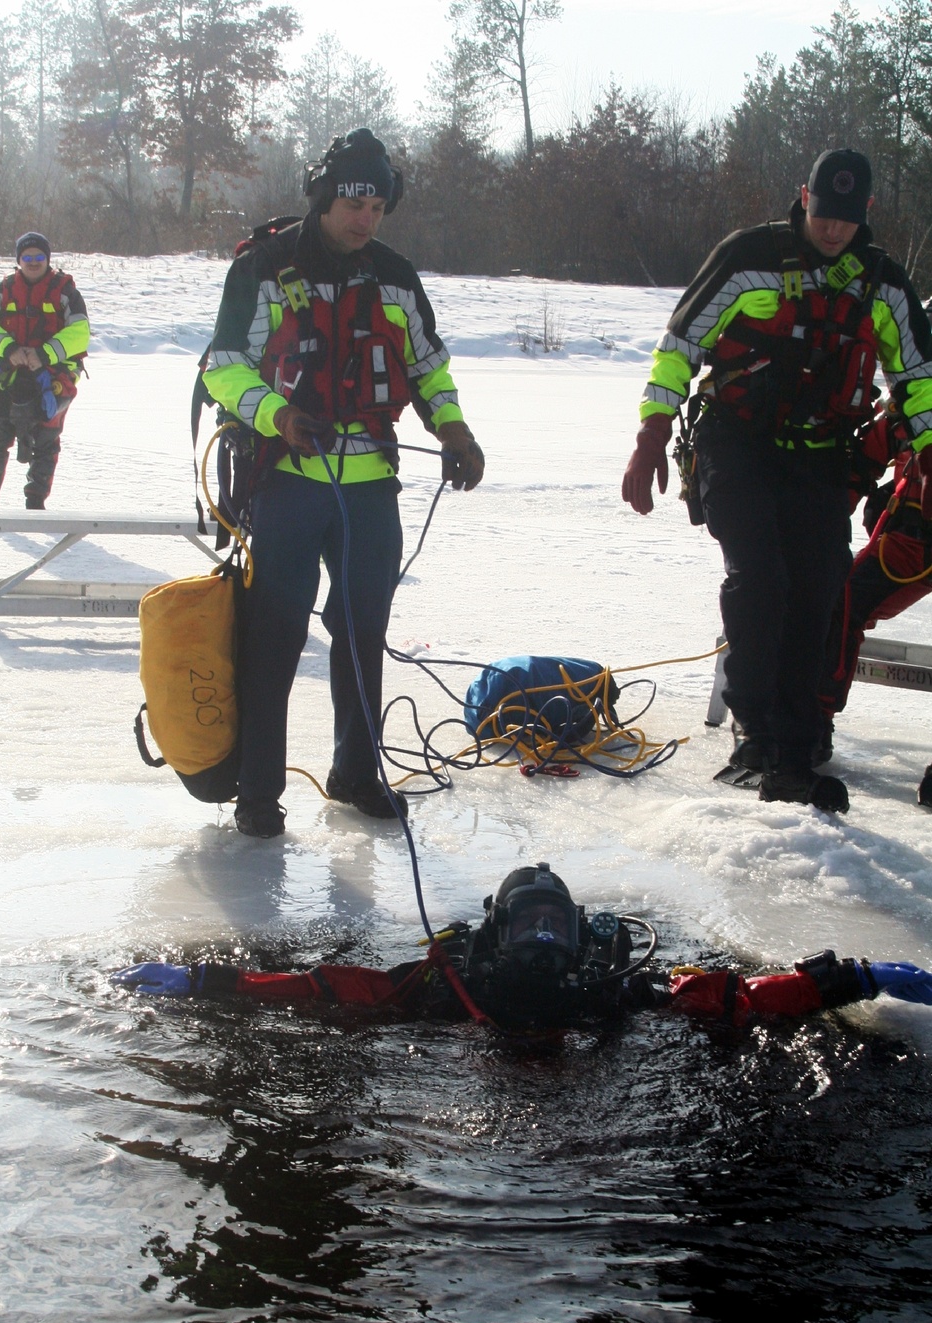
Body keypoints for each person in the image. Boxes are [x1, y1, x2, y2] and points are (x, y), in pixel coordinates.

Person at [621, 148, 932, 814]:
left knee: (820, 586)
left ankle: (795, 746)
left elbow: (915, 378)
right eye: (823, 214)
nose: (831, 230)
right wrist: (651, 433)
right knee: (760, 575)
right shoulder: (749, 257)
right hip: (736, 442)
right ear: (803, 198)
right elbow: (679, 346)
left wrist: (929, 450)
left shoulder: (883, 285)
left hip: (817, 453)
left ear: (865, 216)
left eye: (846, 220)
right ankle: (753, 733)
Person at [202, 128, 485, 840]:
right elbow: (223, 365)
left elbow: (428, 369)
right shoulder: (263, 269)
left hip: (370, 492)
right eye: (355, 201)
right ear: (326, 196)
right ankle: (258, 792)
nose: (366, 218)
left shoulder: (395, 275)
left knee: (363, 635)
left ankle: (356, 773)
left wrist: (455, 430)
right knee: (274, 638)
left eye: (378, 206)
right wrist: (276, 415)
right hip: (287, 487)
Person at [111, 861, 932, 1032]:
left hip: (487, 1061)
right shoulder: (613, 986)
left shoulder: (451, 979)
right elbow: (738, 997)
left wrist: (210, 982)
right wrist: (848, 977)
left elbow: (328, 987)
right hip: (577, 1074)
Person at [816, 410, 932, 809]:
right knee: (838, 600)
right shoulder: (915, 405)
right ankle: (814, 720)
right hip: (907, 543)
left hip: (911, 543)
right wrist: (837, 509)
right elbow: (868, 453)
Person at [0, 233, 90, 511]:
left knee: (45, 441)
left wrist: (43, 354)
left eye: (39, 257)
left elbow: (80, 332)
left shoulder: (65, 291)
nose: (33, 263)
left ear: (47, 259)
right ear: (19, 260)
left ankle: (35, 503)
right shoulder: (3, 290)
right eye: (27, 258)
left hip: (53, 376)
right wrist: (10, 350)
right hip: (7, 373)